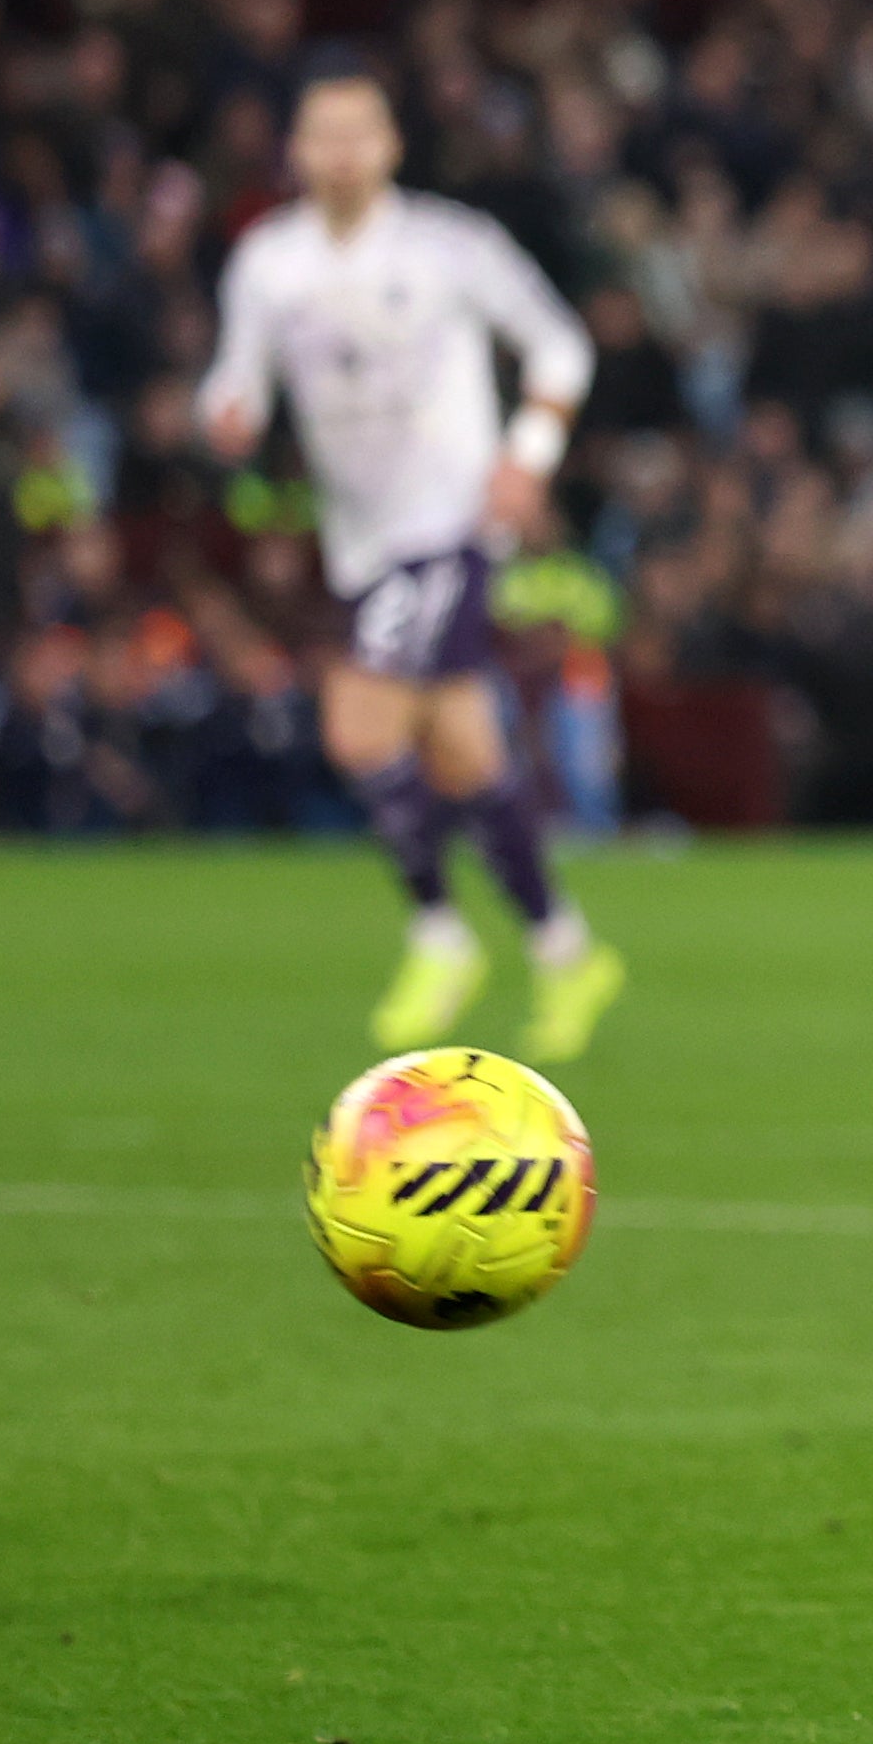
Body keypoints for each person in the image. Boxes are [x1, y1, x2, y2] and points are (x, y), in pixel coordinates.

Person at [198, 67, 626, 1059]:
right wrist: (226, 415)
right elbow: (238, 377)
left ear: (391, 146)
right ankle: (567, 953)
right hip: (359, 537)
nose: (341, 152)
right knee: (462, 749)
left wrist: (528, 459)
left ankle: (438, 932)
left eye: (360, 132)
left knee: (358, 726)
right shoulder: (267, 263)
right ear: (295, 151)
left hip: (450, 519)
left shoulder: (449, 246)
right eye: (321, 134)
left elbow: (560, 344)